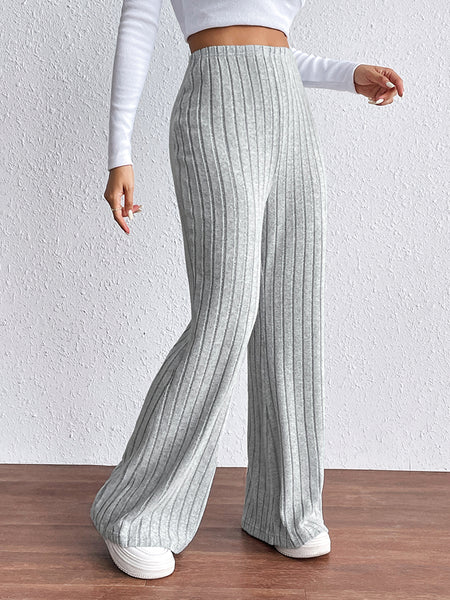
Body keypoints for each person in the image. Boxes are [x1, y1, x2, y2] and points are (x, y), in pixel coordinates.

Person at [90, 0, 404, 580]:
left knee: (292, 309)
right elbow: (139, 24)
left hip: (289, 113)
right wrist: (120, 153)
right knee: (226, 311)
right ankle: (136, 514)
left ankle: (283, 510)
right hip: (213, 107)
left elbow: (270, 45)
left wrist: (347, 74)